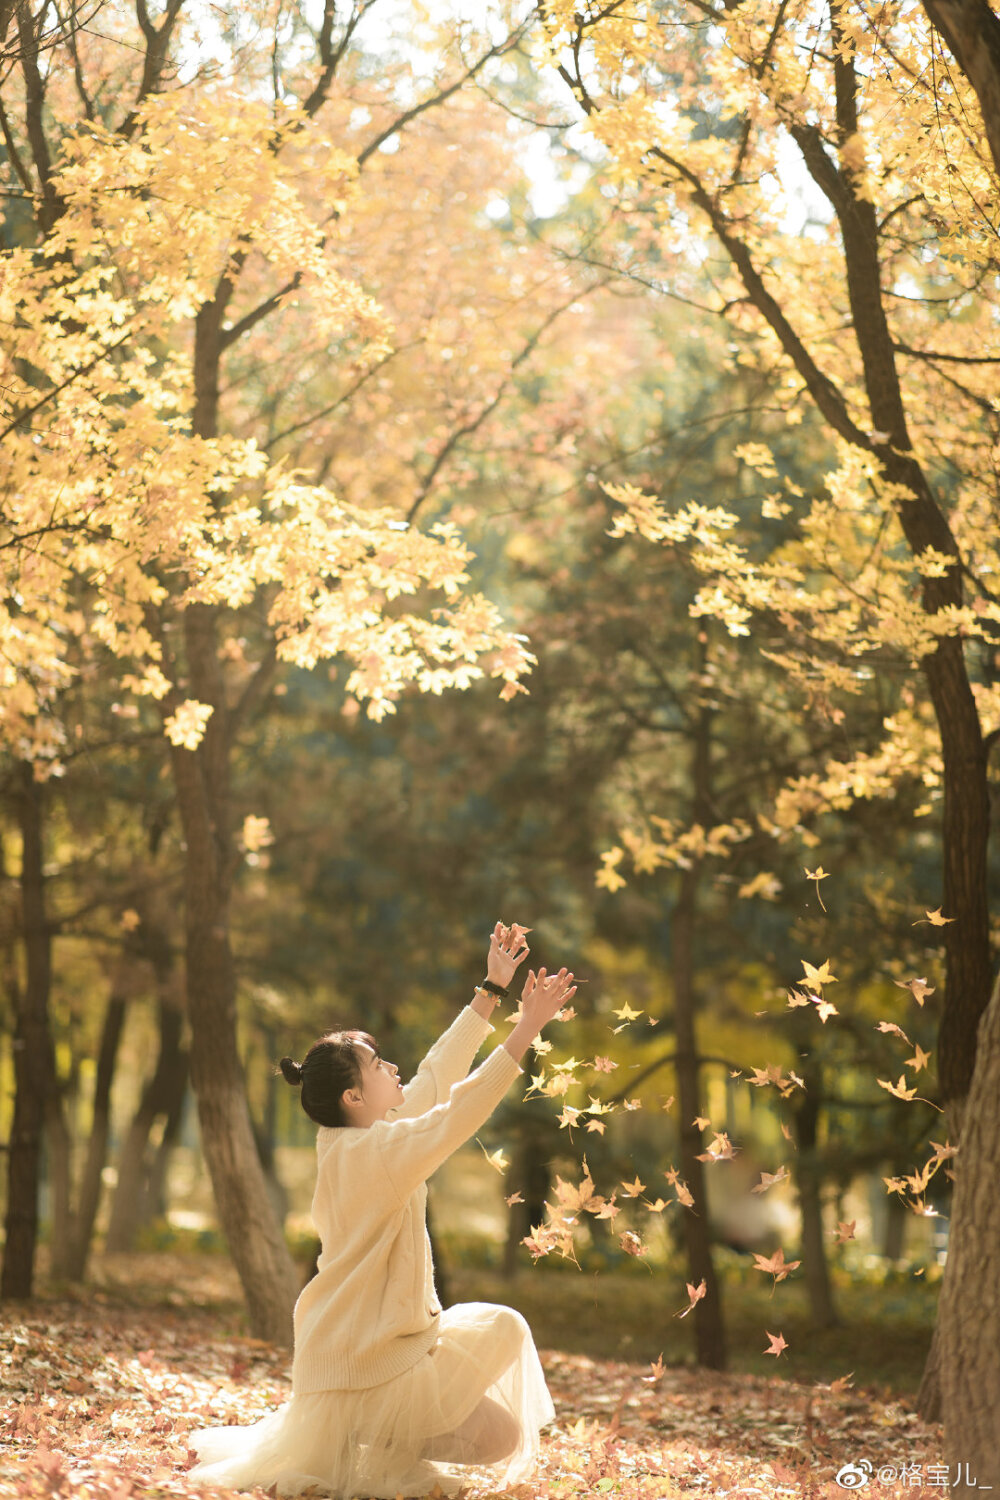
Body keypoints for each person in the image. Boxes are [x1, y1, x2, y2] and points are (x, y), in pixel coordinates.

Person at [186, 921, 576, 1498]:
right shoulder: (377, 1151)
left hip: (363, 1347)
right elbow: (454, 1113)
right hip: (362, 1361)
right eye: (378, 1066)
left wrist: (491, 989)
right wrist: (526, 1027)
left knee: (502, 1335)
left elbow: (438, 1076)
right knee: (499, 1433)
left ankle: (375, 1434)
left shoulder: (357, 1139)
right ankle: (371, 1433)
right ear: (354, 1097)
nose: (393, 1069)